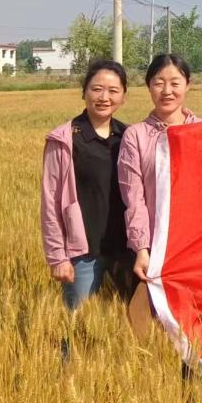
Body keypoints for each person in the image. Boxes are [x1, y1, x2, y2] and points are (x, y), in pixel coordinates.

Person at [40, 59, 137, 312]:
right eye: (96, 89)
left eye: (113, 90)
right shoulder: (64, 140)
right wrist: (57, 257)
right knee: (78, 323)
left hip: (127, 249)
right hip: (84, 252)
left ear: (124, 96)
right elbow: (51, 202)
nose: (104, 97)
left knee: (137, 321)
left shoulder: (130, 137)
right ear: (84, 92)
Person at [118, 54, 202, 288]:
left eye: (175, 83)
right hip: (157, 247)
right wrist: (142, 249)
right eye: (158, 83)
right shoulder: (135, 136)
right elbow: (134, 199)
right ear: (149, 86)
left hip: (199, 244)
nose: (167, 91)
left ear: (188, 85)